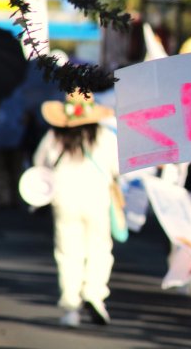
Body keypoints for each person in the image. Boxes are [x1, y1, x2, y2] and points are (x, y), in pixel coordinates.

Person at [33, 89, 118, 328]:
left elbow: (39, 163)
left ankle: (71, 308)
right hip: (97, 198)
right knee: (99, 249)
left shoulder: (54, 137)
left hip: (64, 198)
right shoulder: (105, 136)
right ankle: (94, 294)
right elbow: (117, 168)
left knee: (68, 253)